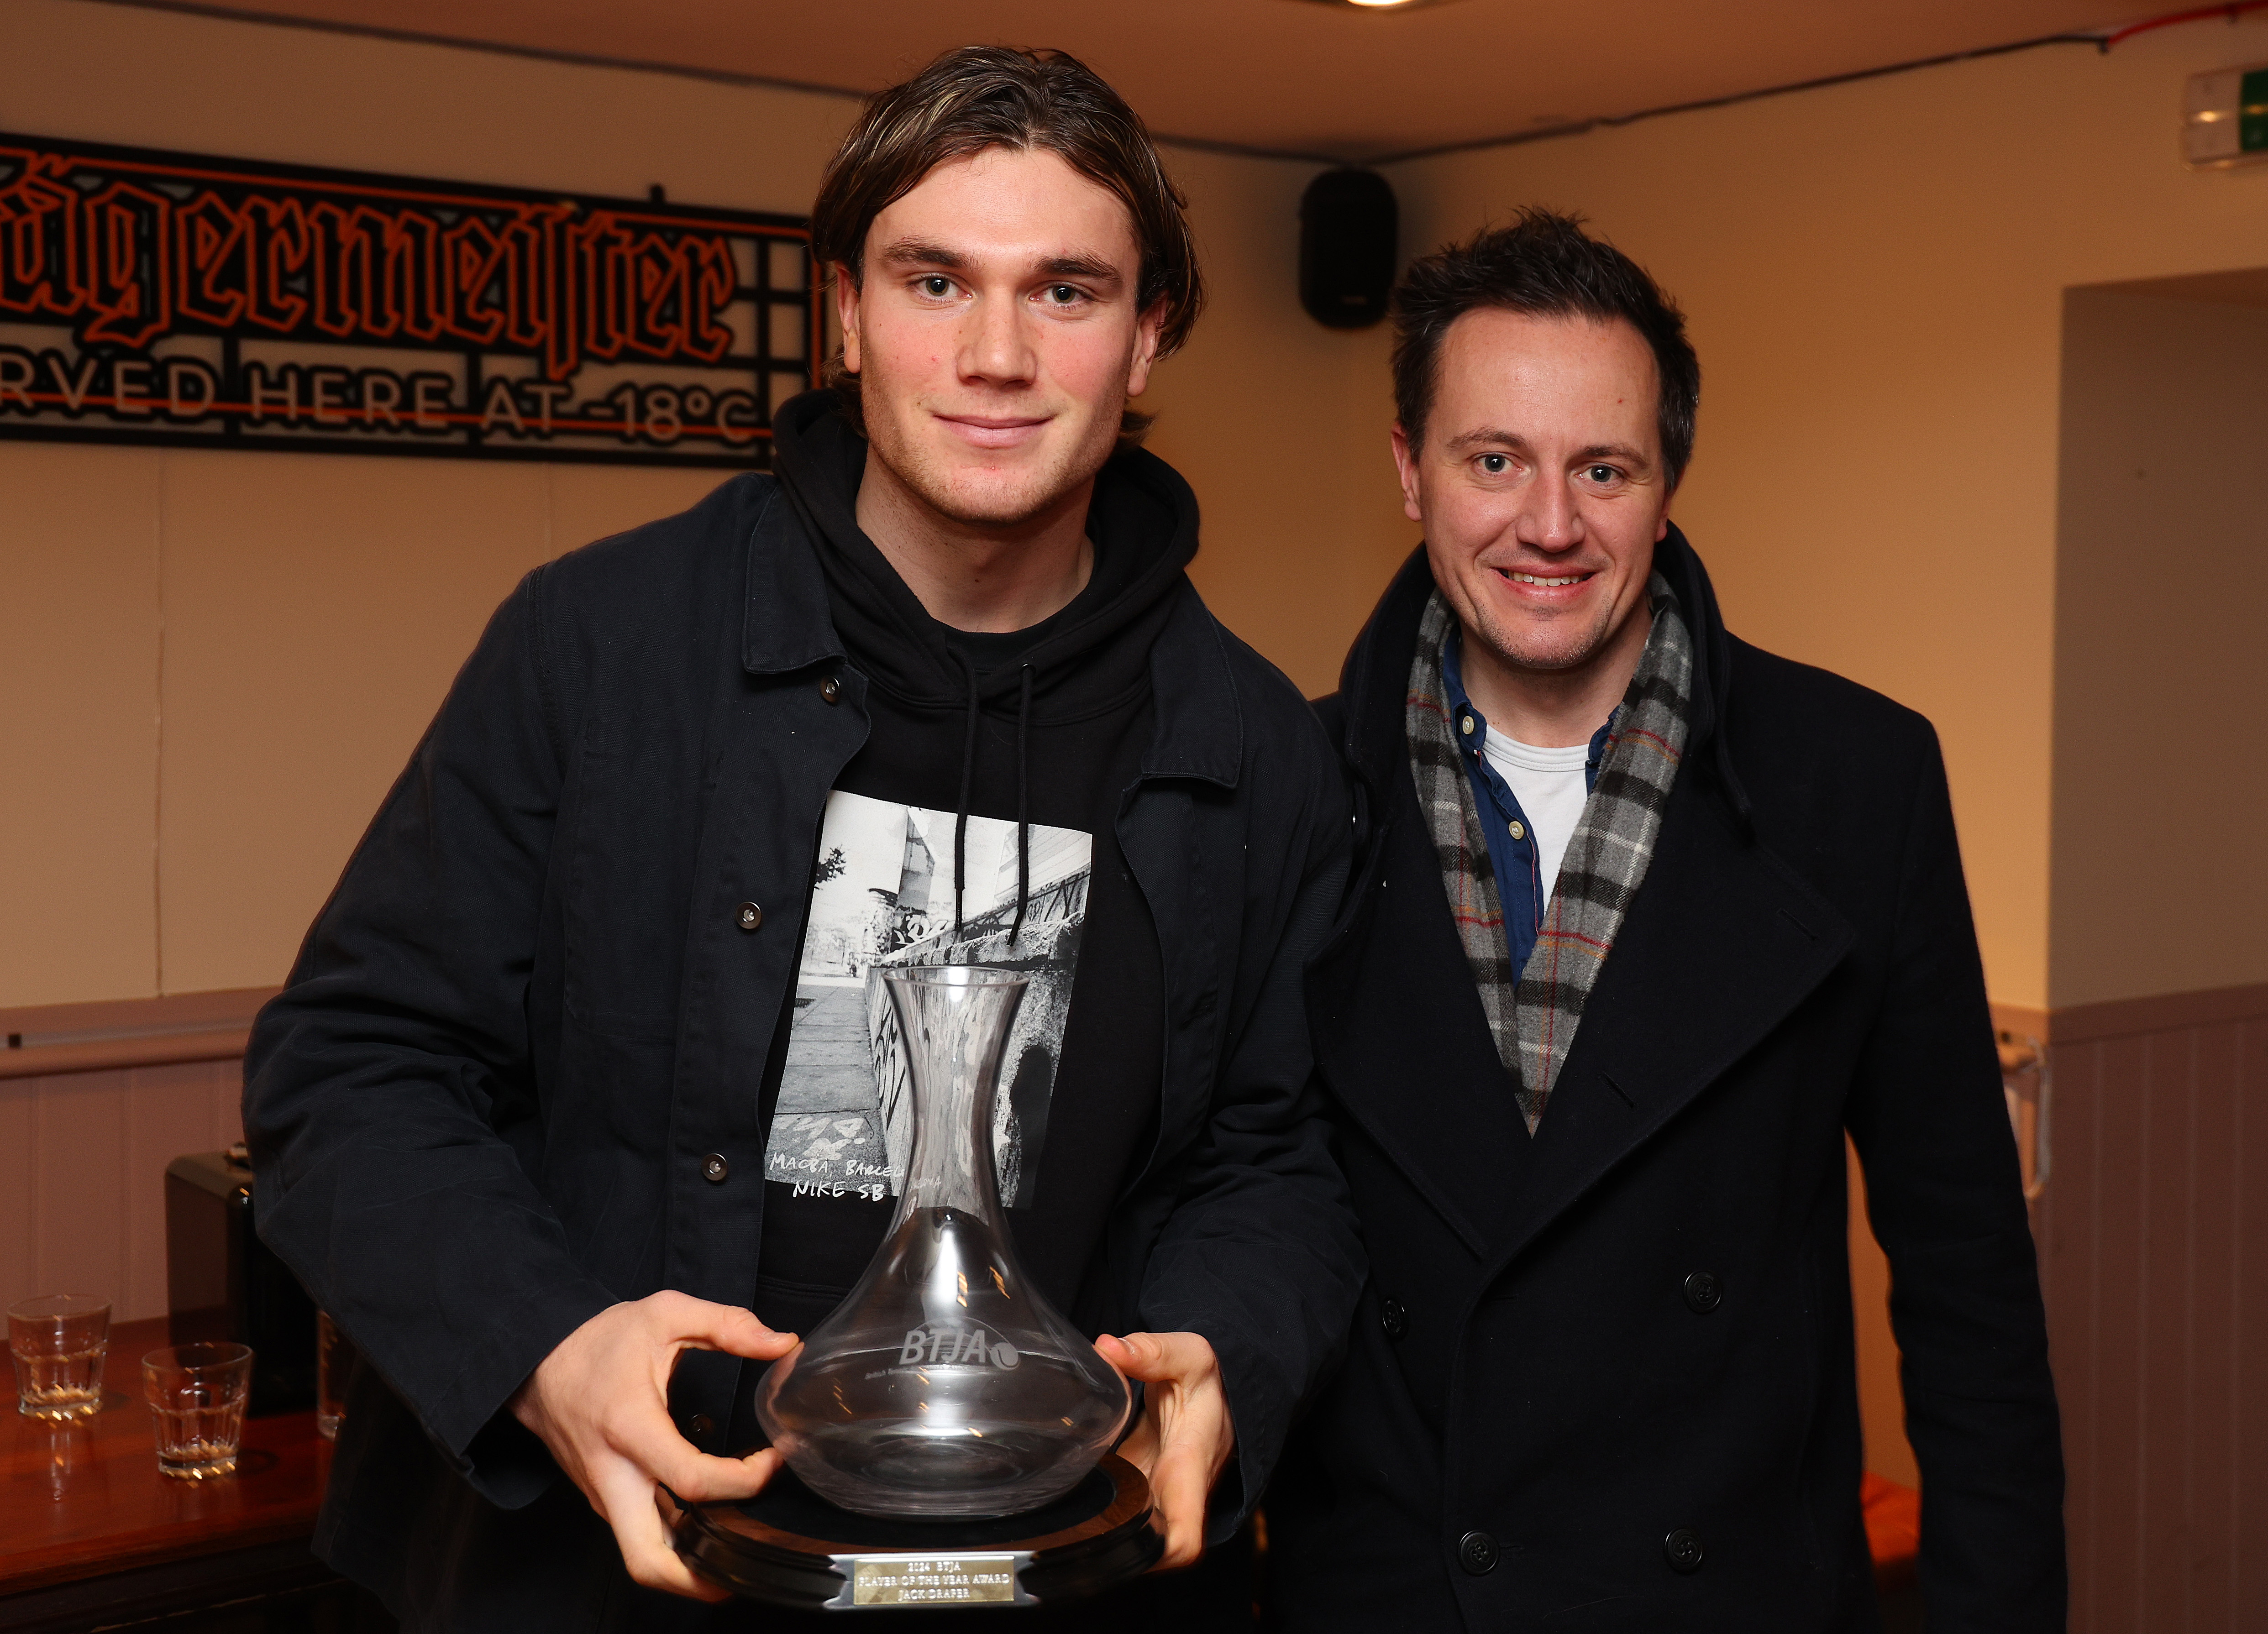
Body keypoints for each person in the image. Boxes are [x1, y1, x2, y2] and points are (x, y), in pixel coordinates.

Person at [244, 46, 1361, 1631]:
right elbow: (349, 1071)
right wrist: (548, 1346)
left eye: (1065, 290)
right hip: (596, 1581)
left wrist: (1231, 1345)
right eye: (932, 280)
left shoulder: (1253, 744)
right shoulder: (599, 645)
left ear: (1147, 329)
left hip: (1039, 1570)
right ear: (843, 309)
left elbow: (1274, 1159)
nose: (993, 353)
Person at [1269, 211, 2064, 1630]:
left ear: (1669, 483)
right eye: (1493, 459)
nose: (1550, 523)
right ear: (1410, 471)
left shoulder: (1854, 780)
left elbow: (1968, 1286)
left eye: (1605, 468)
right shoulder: (1288, 787)